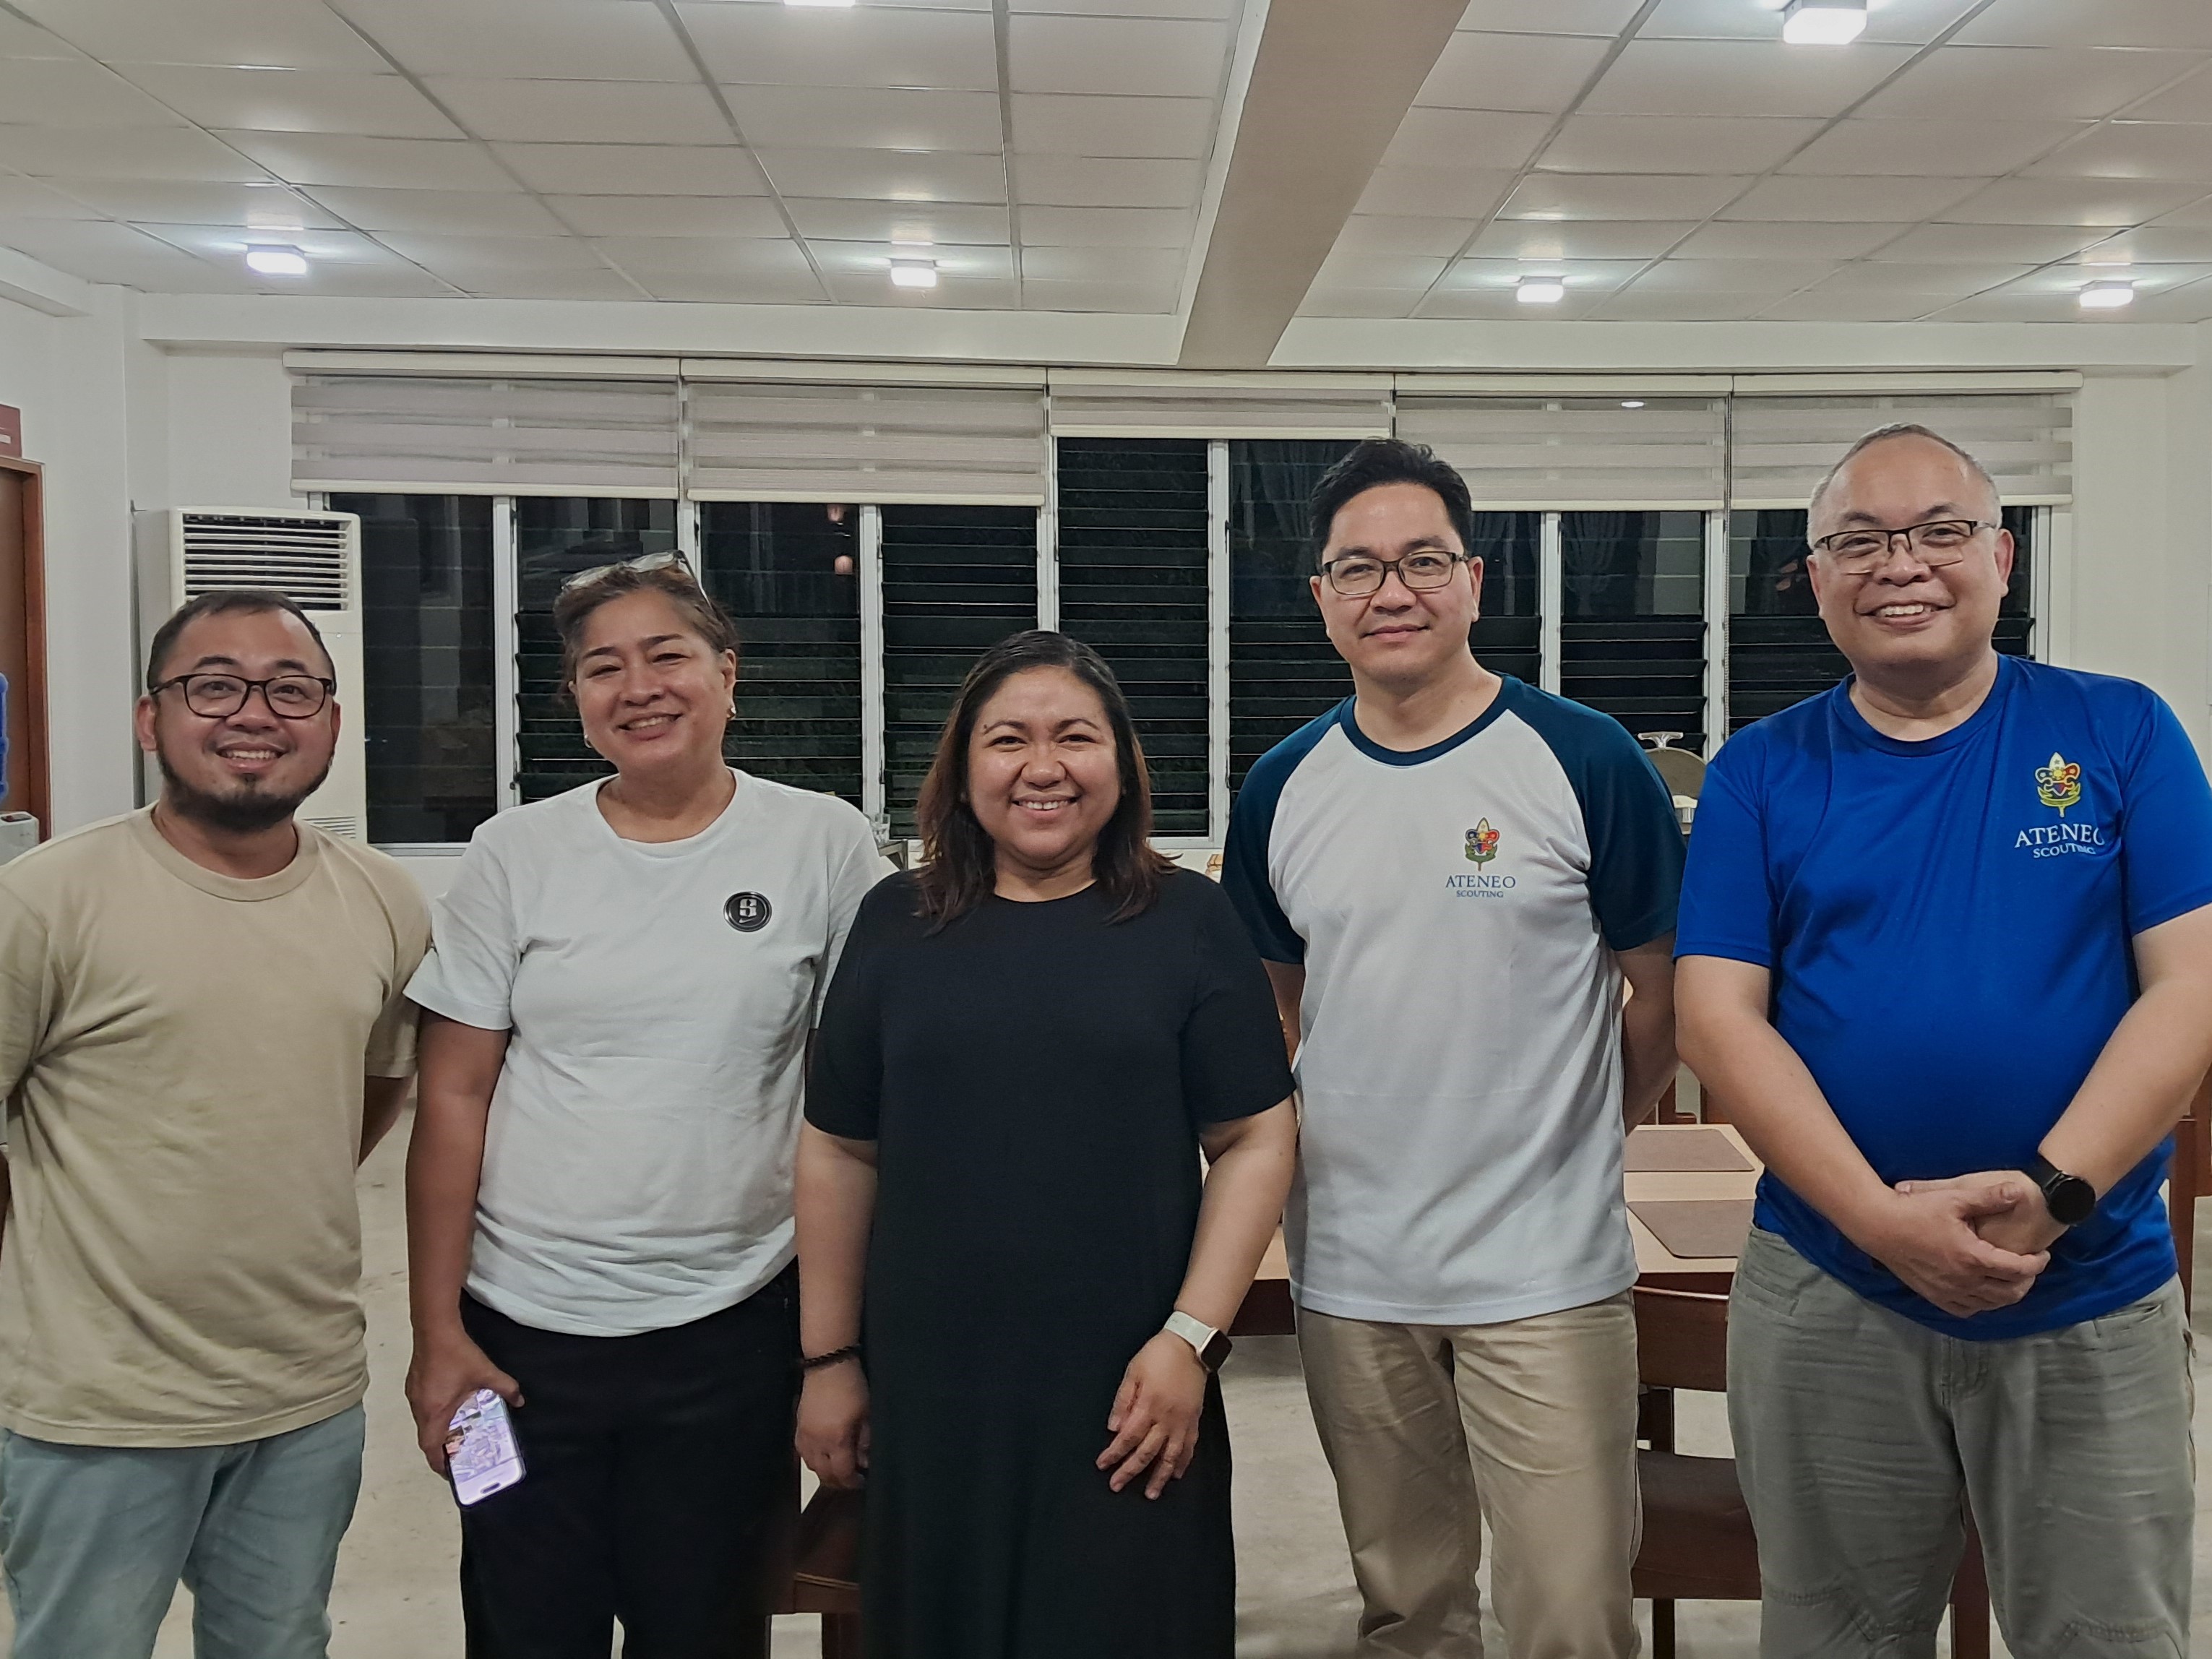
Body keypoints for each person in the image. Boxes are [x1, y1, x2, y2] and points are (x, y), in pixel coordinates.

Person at [1676, 424, 2212, 1656]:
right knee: (1833, 1636)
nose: (1898, 566)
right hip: (1830, 1290)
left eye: (1937, 533)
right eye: (1856, 542)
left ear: (2001, 559)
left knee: (2108, 1637)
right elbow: (1718, 1016)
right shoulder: (1762, 771)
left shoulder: (2120, 732)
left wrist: (2049, 1191)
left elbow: (2184, 994)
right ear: (1814, 580)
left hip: (2087, 1290)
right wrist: (1876, 1219)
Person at [1220, 438, 1683, 1659]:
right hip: (1354, 1269)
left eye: (1422, 560)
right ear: (1320, 596)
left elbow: (1661, 994)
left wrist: (1600, 1124)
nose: (1392, 591)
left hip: (1546, 1268)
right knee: (1406, 1609)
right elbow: (1273, 1019)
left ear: (1473, 579)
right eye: (1357, 568)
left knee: (1569, 1614)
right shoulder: (1280, 786)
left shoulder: (1584, 760)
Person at [403, 554, 887, 1658]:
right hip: (512, 1346)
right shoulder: (511, 854)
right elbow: (454, 1094)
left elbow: (842, 1116)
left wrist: (832, 1352)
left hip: (731, 1333)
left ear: (728, 673)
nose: (638, 687)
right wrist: (438, 1336)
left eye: (667, 655)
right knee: (521, 1628)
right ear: (575, 702)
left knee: (708, 1630)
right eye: (600, 668)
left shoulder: (821, 842)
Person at [796, 629, 1298, 1659]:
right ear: (961, 765)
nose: (1041, 767)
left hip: (1130, 1390)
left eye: (1074, 737)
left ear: (1119, 762)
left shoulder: (1187, 922)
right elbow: (840, 1147)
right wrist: (829, 1358)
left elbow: (1253, 1135)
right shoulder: (896, 922)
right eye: (1006, 739)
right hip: (930, 1392)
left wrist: (1190, 1340)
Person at [0, 590, 429, 1659]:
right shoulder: (45, 901)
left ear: (330, 722)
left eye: (291, 689)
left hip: (304, 1392)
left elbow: (374, 1087)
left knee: (280, 1645)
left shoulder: (383, 899)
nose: (255, 713)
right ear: (151, 720)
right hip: (98, 1408)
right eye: (214, 686)